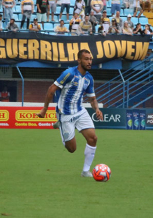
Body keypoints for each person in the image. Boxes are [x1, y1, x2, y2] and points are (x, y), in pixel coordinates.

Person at [37, 49, 103, 177]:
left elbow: (92, 98)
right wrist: (44, 109)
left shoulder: (89, 78)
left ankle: (85, 171)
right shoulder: (69, 74)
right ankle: (61, 124)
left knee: (93, 138)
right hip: (65, 114)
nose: (89, 62)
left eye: (90, 59)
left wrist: (97, 109)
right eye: (86, 59)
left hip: (79, 111)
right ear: (79, 60)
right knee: (72, 149)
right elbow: (52, 90)